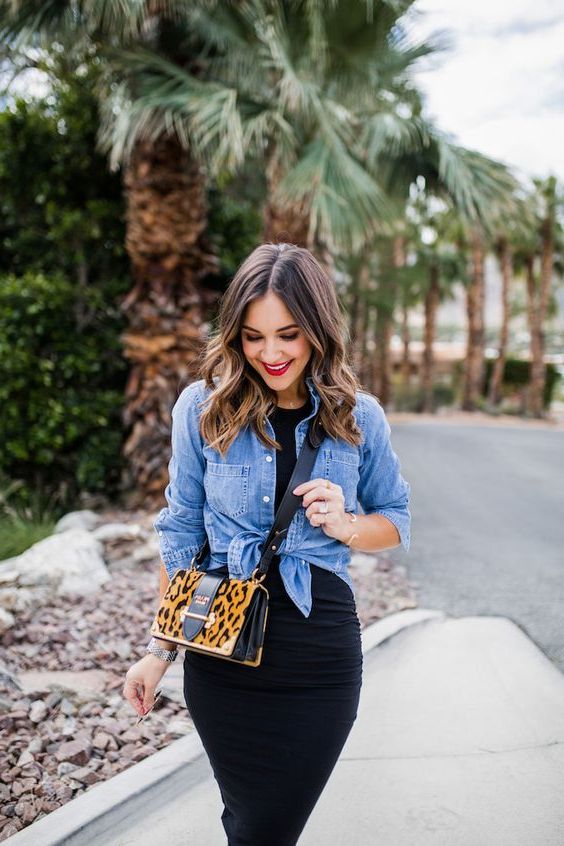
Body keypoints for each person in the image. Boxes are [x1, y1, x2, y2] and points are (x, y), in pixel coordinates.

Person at [123, 242, 411, 845]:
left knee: (268, 826)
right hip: (222, 651)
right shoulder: (202, 409)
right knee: (250, 823)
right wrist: (160, 650)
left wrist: (345, 525)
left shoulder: (360, 417)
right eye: (253, 337)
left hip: (318, 654)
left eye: (288, 334)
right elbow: (180, 533)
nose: (271, 353)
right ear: (235, 335)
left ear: (318, 330)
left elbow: (396, 519)